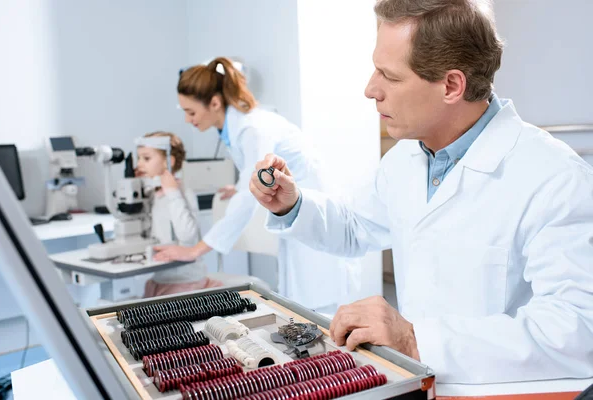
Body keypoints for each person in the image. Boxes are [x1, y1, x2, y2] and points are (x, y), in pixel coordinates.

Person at [249, 0, 593, 384]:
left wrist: (414, 339)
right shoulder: (407, 158)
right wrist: (292, 203)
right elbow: (354, 228)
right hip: (419, 381)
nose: (370, 89)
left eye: (389, 76)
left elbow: (577, 331)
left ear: (451, 85)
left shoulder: (554, 177)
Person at [153, 57, 358, 313]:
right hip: (297, 211)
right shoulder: (236, 128)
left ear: (215, 103)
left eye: (191, 112)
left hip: (313, 211)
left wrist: (195, 250)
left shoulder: (252, 128)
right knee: (303, 300)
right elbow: (254, 173)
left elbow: (247, 200)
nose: (187, 120)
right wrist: (240, 185)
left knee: (319, 299)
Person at [135, 131, 221, 297]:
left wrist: (172, 192)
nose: (139, 164)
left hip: (185, 282)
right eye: (138, 158)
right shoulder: (154, 194)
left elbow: (188, 236)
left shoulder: (181, 193)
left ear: (169, 161)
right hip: (160, 279)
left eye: (146, 158)